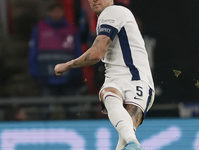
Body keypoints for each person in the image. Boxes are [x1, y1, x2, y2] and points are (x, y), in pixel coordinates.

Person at [54, 0, 155, 149]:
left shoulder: (113, 12)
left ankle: (133, 143)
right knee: (126, 134)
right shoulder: (105, 18)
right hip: (117, 79)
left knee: (111, 100)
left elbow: (97, 53)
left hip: (135, 79)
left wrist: (67, 65)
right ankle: (133, 144)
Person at [29, 2, 83, 96]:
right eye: (53, 11)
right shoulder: (39, 29)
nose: (56, 13)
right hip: (46, 77)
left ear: (63, 12)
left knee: (71, 107)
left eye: (59, 11)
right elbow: (33, 52)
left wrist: (77, 71)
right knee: (46, 108)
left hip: (68, 77)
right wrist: (35, 72)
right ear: (49, 12)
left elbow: (77, 51)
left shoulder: (71, 29)